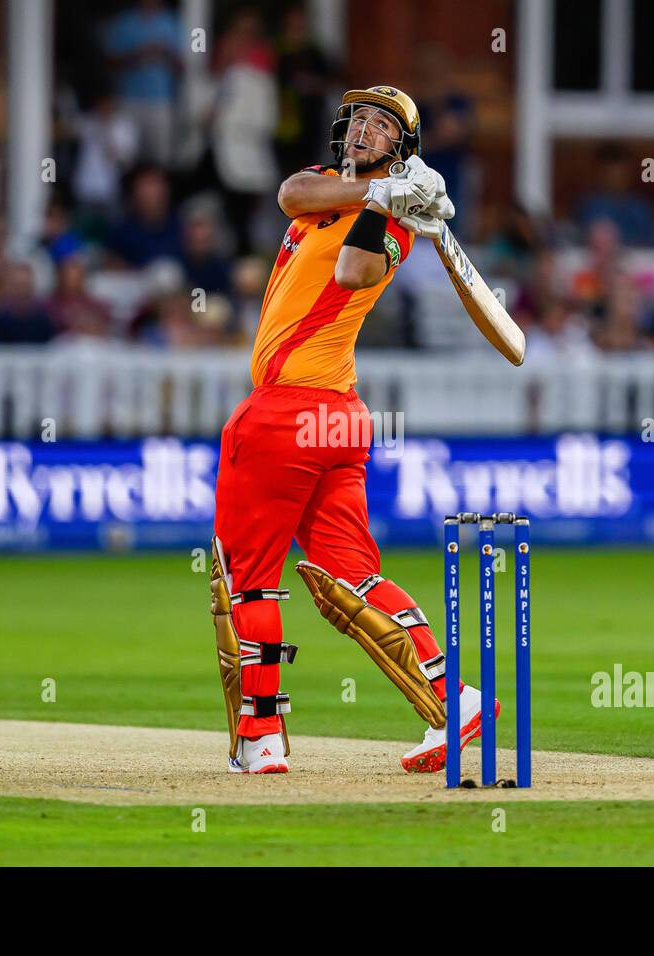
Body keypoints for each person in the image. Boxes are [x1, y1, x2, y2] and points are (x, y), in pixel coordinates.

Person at [209, 85, 489, 776]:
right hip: (336, 419)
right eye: (359, 118)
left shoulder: (393, 223)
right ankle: (456, 700)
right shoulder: (333, 188)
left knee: (245, 582)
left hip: (285, 413)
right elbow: (288, 193)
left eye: (383, 126)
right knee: (352, 578)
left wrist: (392, 205)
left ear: (403, 151)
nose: (365, 128)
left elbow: (353, 271)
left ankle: (261, 734)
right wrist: (378, 194)